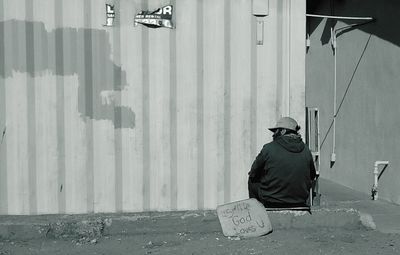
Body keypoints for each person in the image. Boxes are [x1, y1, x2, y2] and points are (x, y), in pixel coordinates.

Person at [248, 117, 317, 208]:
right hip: (299, 201)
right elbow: (312, 176)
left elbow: (253, 172)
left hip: (272, 202)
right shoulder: (306, 150)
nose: (273, 135)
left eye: (275, 131)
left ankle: (256, 212)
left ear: (283, 131)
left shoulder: (268, 148)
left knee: (252, 180)